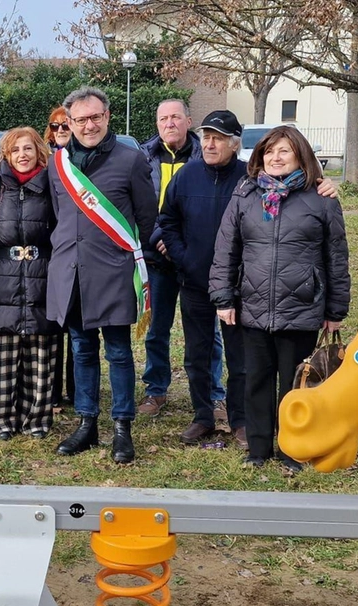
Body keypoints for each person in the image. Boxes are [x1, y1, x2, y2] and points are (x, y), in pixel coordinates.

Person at [210, 125, 350, 470]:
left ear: (300, 155)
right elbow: (226, 250)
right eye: (269, 152)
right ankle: (258, 450)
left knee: (296, 386)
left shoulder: (322, 199)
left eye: (284, 151)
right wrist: (223, 298)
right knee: (255, 380)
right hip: (253, 306)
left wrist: (335, 308)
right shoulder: (245, 196)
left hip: (301, 307)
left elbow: (336, 257)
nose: (275, 158)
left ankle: (292, 450)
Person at [47, 86, 157, 464]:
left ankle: (122, 427)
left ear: (108, 117)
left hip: (112, 271)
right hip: (71, 272)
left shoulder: (131, 159)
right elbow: (57, 215)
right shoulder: (57, 163)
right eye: (80, 119)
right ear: (70, 123)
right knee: (81, 350)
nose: (89, 125)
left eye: (95, 117)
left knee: (119, 352)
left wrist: (117, 252)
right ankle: (86, 423)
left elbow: (146, 217)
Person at [157, 110, 248, 449]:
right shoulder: (187, 175)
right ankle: (203, 415)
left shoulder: (249, 177)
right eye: (206, 136)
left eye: (218, 138)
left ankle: (239, 420)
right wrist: (184, 258)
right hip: (194, 281)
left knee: (239, 356)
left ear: (234, 143)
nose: (209, 143)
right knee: (197, 353)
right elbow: (167, 221)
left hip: (237, 285)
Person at [137, 99, 226, 427]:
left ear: (189, 121)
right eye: (163, 118)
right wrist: (158, 237)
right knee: (156, 330)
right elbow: (140, 206)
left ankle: (214, 394)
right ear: (157, 123)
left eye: (175, 117)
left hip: (198, 261)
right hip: (156, 257)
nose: (169, 123)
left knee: (208, 333)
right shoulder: (144, 158)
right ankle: (155, 389)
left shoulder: (208, 157)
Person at [0, 126, 61, 440]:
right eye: (15, 150)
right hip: (4, 279)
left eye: (28, 148)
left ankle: (37, 419)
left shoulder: (54, 189)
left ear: (38, 151)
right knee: (3, 357)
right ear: (6, 155)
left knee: (41, 357)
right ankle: (2, 419)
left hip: (43, 275)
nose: (22, 155)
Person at [43, 105, 76, 409]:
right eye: (55, 126)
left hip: (77, 254)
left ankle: (76, 390)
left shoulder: (83, 161)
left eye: (65, 125)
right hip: (52, 254)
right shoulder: (45, 164)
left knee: (79, 330)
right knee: (54, 329)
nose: (61, 130)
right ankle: (52, 392)